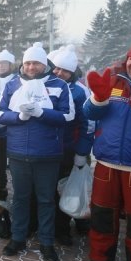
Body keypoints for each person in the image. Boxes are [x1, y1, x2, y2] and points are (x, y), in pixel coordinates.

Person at [0, 42, 74, 261]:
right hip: (19, 151)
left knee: (46, 200)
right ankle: (18, 238)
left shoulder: (59, 85)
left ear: (44, 64)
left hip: (48, 153)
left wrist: (41, 113)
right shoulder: (12, 84)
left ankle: (47, 243)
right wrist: (17, 118)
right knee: (19, 198)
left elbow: (68, 116)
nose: (31, 67)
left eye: (36, 63)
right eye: (28, 62)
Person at [83, 40, 131, 261]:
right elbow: (89, 113)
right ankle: (100, 257)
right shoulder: (115, 81)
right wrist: (98, 98)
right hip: (107, 162)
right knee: (102, 213)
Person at [48, 45, 95, 246]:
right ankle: (48, 226)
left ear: (73, 72)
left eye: (65, 70)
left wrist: (82, 151)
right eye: (57, 68)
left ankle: (63, 229)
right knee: (48, 190)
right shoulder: (47, 83)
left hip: (68, 149)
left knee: (65, 189)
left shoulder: (80, 92)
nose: (59, 73)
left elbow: (89, 124)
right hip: (47, 148)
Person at [0, 50, 17, 218]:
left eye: (4, 63)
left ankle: (5, 201)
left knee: (11, 167)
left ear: (10, 65)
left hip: (11, 131)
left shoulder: (16, 81)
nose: (1, 66)